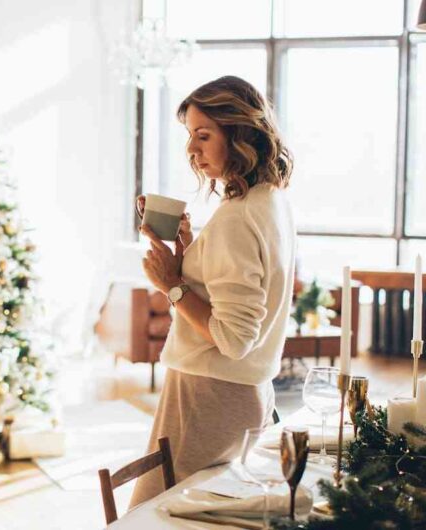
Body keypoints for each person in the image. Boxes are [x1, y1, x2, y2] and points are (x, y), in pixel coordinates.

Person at [130, 75, 296, 507]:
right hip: (243, 393)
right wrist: (187, 254)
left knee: (157, 513)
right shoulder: (270, 200)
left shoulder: (238, 217)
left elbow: (234, 338)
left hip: (208, 396)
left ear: (239, 134)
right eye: (190, 136)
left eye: (204, 135)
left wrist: (173, 284)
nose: (192, 149)